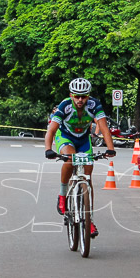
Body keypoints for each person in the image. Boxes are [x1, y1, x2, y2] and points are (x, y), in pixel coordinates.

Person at [44, 78, 114, 238]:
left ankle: (89, 220)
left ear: (88, 96)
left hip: (83, 139)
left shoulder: (94, 105)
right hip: (66, 137)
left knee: (88, 178)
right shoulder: (65, 106)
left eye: (83, 96)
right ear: (71, 95)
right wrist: (48, 149)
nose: (80, 100)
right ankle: (62, 195)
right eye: (77, 96)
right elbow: (51, 130)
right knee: (70, 159)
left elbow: (103, 127)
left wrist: (110, 148)